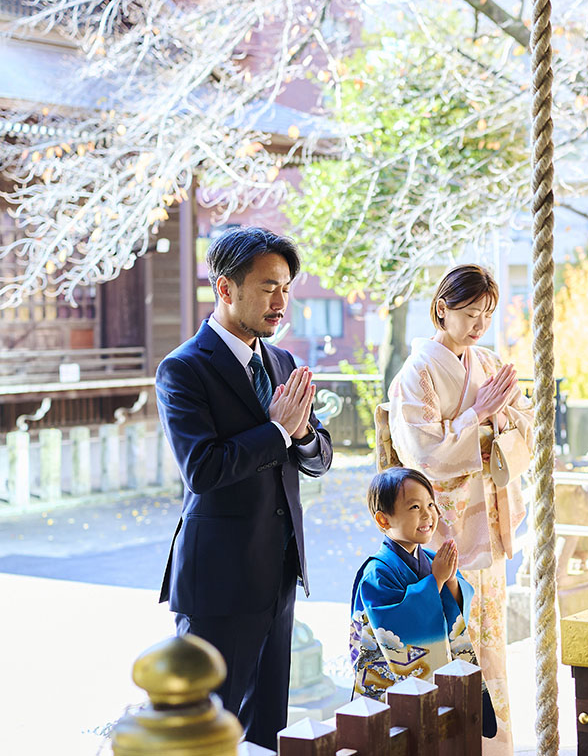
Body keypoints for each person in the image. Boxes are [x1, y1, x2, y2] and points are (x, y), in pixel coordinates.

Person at [155, 226, 333, 749]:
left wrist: (298, 434)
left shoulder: (281, 362)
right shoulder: (183, 369)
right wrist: (277, 429)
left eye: (286, 287)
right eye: (267, 287)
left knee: (266, 729)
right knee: (202, 730)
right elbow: (203, 470)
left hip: (278, 573)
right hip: (219, 582)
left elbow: (318, 458)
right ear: (225, 289)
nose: (280, 301)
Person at [385, 263, 534, 755]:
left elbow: (525, 422)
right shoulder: (417, 373)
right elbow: (424, 452)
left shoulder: (488, 363)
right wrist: (480, 418)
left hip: (487, 524)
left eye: (486, 314)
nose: (478, 325)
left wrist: (491, 422)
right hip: (443, 525)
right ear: (441, 309)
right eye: (469, 313)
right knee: (451, 643)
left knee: (491, 643)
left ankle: (498, 746)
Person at [349, 467, 497, 737]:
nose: (428, 514)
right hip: (389, 686)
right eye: (415, 507)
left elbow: (456, 617)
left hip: (433, 681)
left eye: (431, 504)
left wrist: (450, 581)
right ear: (383, 520)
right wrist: (435, 582)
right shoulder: (377, 572)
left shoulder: (430, 559)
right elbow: (394, 627)